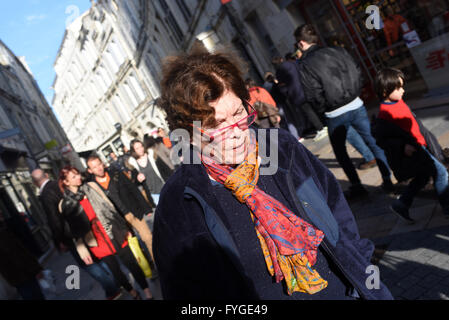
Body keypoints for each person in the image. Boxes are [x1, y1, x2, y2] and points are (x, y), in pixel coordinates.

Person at [152, 48, 393, 300]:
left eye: (237, 114)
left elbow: (338, 214)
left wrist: (365, 274)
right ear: (188, 133)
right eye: (215, 124)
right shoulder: (178, 204)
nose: (235, 132)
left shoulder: (282, 148)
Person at [294, 24, 394, 199]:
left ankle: (357, 187)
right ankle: (388, 179)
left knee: (341, 152)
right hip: (355, 103)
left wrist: (323, 110)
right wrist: (356, 91)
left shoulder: (306, 64)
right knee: (373, 141)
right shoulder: (337, 50)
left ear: (301, 43)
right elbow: (357, 70)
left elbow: (312, 93)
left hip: (334, 112)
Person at [58, 166, 154, 300]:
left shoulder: (91, 186)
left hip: (113, 230)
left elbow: (110, 206)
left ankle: (147, 292)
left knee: (131, 263)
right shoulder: (64, 204)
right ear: (66, 182)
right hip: (95, 240)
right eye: (73, 177)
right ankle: (133, 293)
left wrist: (124, 228)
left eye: (78, 174)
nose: (79, 177)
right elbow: (74, 231)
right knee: (115, 271)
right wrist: (81, 249)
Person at [31, 169, 121, 300]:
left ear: (34, 183)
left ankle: (112, 288)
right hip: (85, 225)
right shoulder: (60, 183)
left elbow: (54, 220)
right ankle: (117, 281)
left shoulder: (45, 195)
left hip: (71, 234)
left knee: (87, 263)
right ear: (46, 175)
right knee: (97, 257)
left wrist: (59, 240)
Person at [374, 68, 449, 222]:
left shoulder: (397, 101)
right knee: (441, 173)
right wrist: (402, 146)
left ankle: (402, 204)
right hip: (415, 149)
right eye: (398, 88)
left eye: (402, 86)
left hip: (421, 144)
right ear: (384, 91)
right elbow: (382, 139)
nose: (403, 90)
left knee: (423, 176)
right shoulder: (384, 114)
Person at [86, 154, 156, 264]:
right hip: (118, 220)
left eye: (99, 164)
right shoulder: (92, 186)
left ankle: (159, 263)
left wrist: (146, 208)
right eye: (94, 167)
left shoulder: (116, 173)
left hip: (133, 211)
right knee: (134, 245)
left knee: (147, 238)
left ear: (103, 163)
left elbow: (133, 189)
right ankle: (148, 266)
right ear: (90, 170)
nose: (98, 168)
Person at [275, 56, 328, 141]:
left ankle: (320, 128)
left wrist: (287, 93)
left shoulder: (279, 72)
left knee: (308, 111)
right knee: (315, 107)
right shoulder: (292, 63)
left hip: (297, 93)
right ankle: (325, 124)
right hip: (306, 87)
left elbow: (282, 87)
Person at [0, 210, 45, 300]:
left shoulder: (4, 229)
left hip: (16, 277)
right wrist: (34, 270)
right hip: (23, 274)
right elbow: (16, 254)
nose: (1, 213)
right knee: (35, 295)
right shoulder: (2, 233)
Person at [128, 139, 166, 206]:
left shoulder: (152, 155)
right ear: (133, 151)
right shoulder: (133, 164)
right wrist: (138, 179)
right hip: (154, 195)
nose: (140, 149)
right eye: (137, 148)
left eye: (141, 146)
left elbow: (165, 169)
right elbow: (135, 182)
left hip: (165, 187)